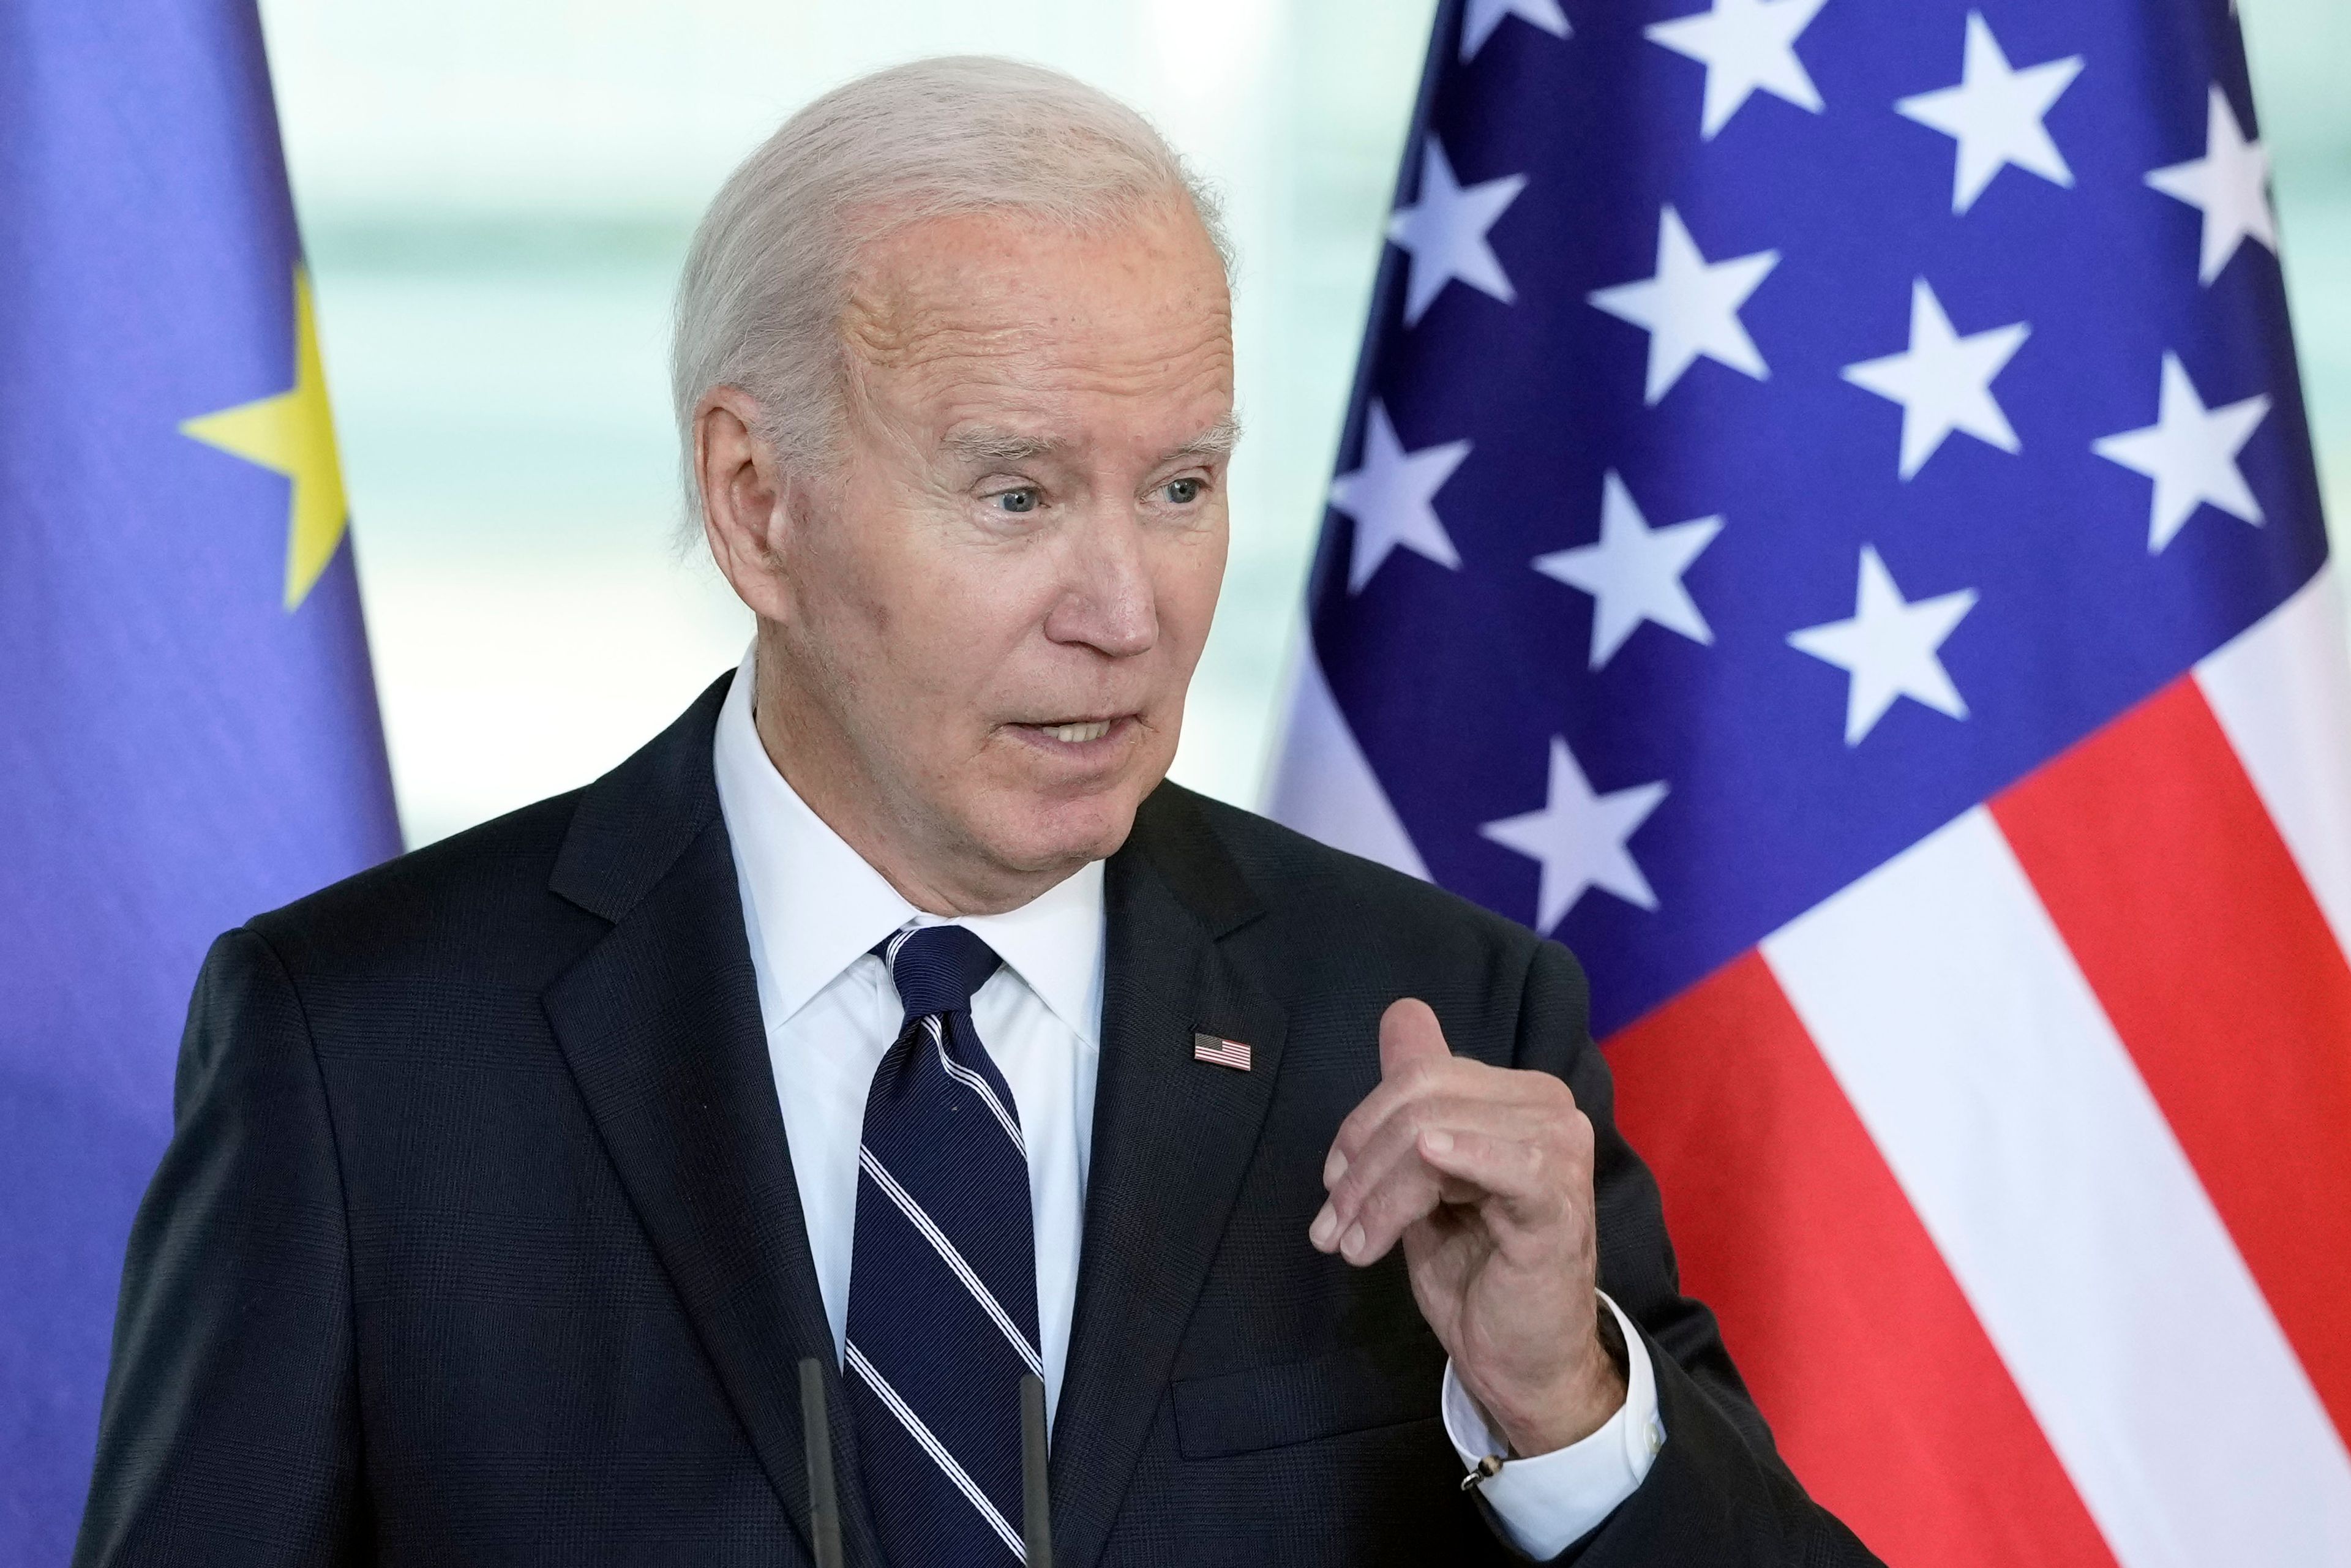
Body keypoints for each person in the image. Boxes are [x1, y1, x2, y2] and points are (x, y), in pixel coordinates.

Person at [74, 58, 1876, 1567]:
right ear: (757, 504)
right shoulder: (365, 1055)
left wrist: (1559, 1407)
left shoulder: (1428, 1024)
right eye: (1016, 495)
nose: (1129, 603)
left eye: (1181, 484)